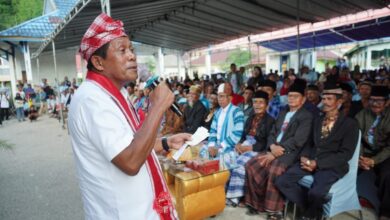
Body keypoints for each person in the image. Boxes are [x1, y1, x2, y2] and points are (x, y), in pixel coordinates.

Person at [68, 13, 191, 220]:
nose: (132, 56)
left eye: (132, 50)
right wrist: (158, 106)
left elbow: (130, 144)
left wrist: (166, 143)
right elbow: (130, 161)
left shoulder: (117, 93)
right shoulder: (92, 100)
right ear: (98, 62)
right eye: (122, 51)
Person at [275, 83, 359, 220]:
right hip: (310, 160)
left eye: (329, 99)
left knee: (316, 193)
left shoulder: (350, 124)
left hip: (331, 166)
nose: (325, 102)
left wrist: (317, 163)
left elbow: (345, 154)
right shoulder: (318, 119)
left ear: (339, 102)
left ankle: (310, 214)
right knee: (282, 181)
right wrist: (304, 156)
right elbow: (309, 143)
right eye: (324, 98)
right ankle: (311, 210)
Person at [244, 81, 313, 219]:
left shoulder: (306, 116)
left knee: (274, 169)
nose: (291, 99)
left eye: (295, 96)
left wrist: (276, 152)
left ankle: (274, 211)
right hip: (274, 149)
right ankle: (256, 204)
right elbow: (272, 133)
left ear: (303, 99)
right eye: (290, 96)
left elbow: (298, 140)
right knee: (251, 165)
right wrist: (272, 147)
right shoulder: (283, 111)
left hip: (290, 153)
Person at [225, 90, 275, 207]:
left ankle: (235, 197)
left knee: (238, 166)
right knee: (226, 159)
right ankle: (224, 191)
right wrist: (239, 144)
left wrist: (250, 147)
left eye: (261, 102)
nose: (257, 105)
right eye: (255, 102)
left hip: (257, 149)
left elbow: (268, 142)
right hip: (245, 145)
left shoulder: (271, 121)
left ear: (266, 105)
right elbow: (243, 135)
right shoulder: (250, 117)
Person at [356, 86, 390, 219]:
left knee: (388, 175)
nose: (375, 104)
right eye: (372, 100)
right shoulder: (362, 114)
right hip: (364, 153)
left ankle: (386, 212)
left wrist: (374, 160)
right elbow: (355, 138)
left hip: (384, 154)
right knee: (347, 168)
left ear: (387, 102)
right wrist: (360, 158)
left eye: (379, 101)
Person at [199, 82, 244, 169]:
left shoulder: (237, 112)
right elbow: (213, 131)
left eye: (222, 96)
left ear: (230, 98)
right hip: (216, 147)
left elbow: (236, 135)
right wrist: (211, 145)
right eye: (219, 96)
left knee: (223, 162)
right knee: (201, 154)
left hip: (230, 148)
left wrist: (219, 147)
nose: (219, 99)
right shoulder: (217, 112)